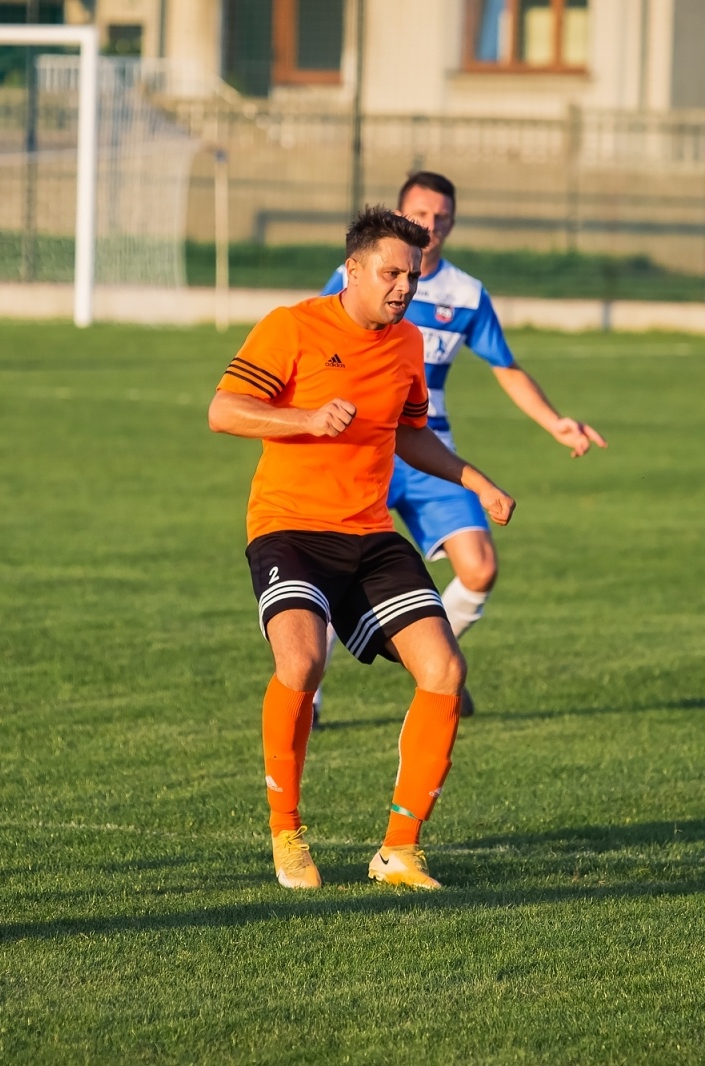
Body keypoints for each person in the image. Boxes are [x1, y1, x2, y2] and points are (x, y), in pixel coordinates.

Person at [208, 207, 515, 892]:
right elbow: (223, 410)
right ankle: (287, 834)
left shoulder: (407, 346)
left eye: (411, 274)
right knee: (302, 660)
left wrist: (477, 481)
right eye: (391, 272)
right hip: (289, 527)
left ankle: (398, 851)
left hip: (371, 534)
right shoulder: (293, 325)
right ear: (353, 269)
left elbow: (408, 433)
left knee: (443, 670)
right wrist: (306, 419)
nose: (404, 286)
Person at [315, 170, 605, 721]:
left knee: (479, 568)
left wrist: (556, 424)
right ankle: (311, 694)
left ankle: (434, 663)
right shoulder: (355, 278)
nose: (432, 224)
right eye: (421, 214)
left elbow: (506, 367)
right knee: (333, 574)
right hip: (362, 449)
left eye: (442, 216)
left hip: (428, 453)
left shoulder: (467, 294)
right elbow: (317, 341)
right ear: (399, 216)